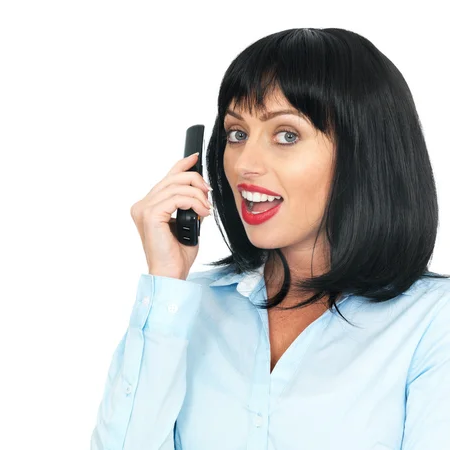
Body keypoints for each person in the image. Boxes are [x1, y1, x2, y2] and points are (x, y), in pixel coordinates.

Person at [89, 27, 450, 450]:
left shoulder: (432, 321)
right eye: (237, 134)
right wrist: (166, 279)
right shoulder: (186, 306)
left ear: (364, 151)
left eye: (286, 135)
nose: (245, 164)